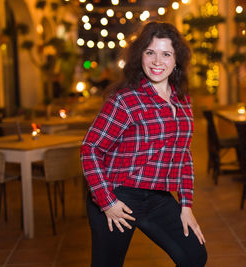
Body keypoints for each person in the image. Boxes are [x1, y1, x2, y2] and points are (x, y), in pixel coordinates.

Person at [80, 21, 207, 267]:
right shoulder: (125, 99)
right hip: (118, 194)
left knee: (194, 256)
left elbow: (183, 155)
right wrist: (107, 202)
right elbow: (90, 149)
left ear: (176, 59)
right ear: (141, 56)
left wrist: (186, 205)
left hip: (157, 197)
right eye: (150, 52)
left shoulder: (183, 100)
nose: (157, 61)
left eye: (166, 54)